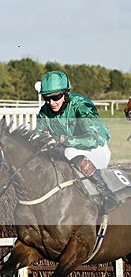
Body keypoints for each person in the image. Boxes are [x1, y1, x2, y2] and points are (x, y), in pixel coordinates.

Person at [34, 70, 119, 210]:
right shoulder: (44, 112)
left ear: (66, 93)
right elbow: (38, 137)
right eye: (47, 98)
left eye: (56, 97)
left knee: (69, 151)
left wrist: (62, 139)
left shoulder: (82, 105)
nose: (51, 102)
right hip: (68, 151)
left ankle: (107, 195)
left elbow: (93, 139)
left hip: (96, 150)